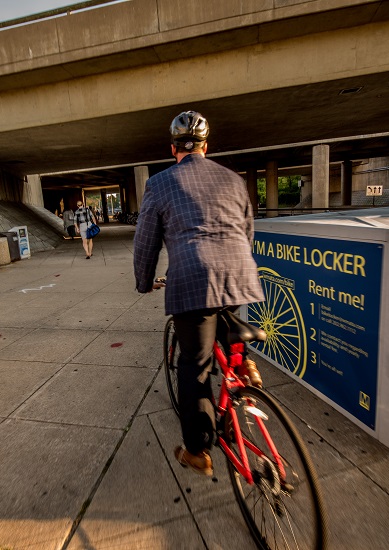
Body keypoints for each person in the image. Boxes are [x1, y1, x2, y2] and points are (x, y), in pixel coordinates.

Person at [133, 111, 264, 476]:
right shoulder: (233, 179)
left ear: (172, 148)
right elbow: (247, 231)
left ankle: (197, 451)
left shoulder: (160, 183)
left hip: (191, 280)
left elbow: (146, 243)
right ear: (207, 146)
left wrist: (144, 282)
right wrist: (237, 266)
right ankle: (243, 362)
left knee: (195, 364)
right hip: (238, 274)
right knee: (223, 316)